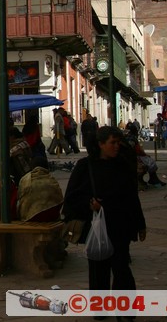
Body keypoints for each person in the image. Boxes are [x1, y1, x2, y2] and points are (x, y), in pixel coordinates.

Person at [63, 126, 146, 304]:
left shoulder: (122, 165)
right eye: (112, 143)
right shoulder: (86, 166)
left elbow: (132, 196)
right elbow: (71, 198)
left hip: (121, 225)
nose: (116, 146)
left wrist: (140, 224)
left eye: (118, 142)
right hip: (97, 227)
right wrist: (90, 204)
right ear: (101, 144)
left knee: (122, 268)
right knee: (98, 269)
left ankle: (125, 308)